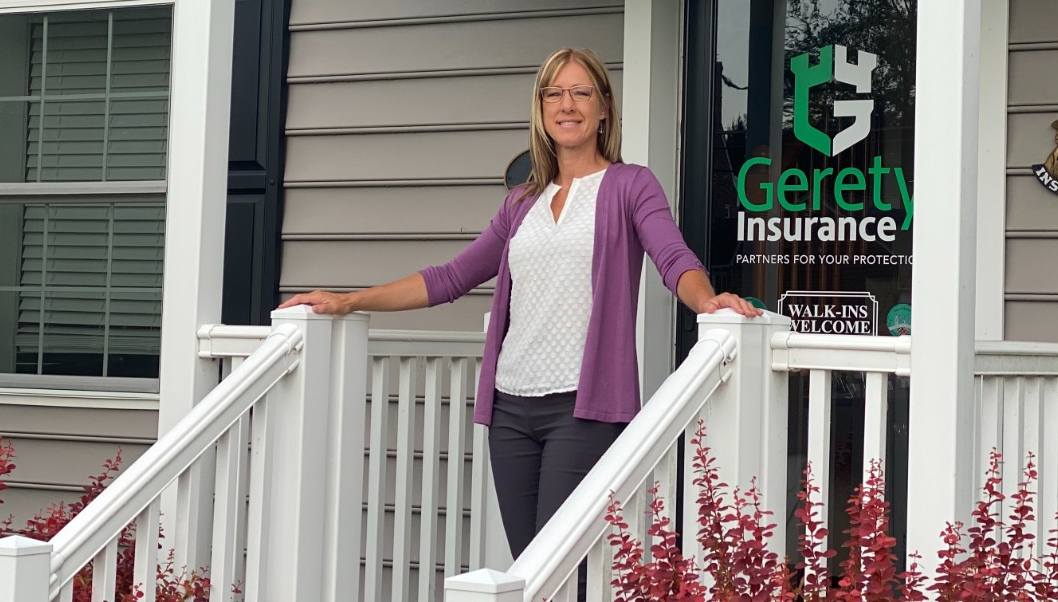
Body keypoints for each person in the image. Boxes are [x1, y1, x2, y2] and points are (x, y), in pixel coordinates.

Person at [279, 47, 760, 594]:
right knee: (527, 570)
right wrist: (349, 300)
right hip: (510, 411)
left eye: (581, 92)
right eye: (554, 93)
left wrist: (706, 300)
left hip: (581, 410)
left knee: (559, 569)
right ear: (541, 108)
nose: (567, 105)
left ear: (604, 107)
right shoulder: (521, 203)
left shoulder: (631, 185)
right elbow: (451, 277)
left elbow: (672, 258)